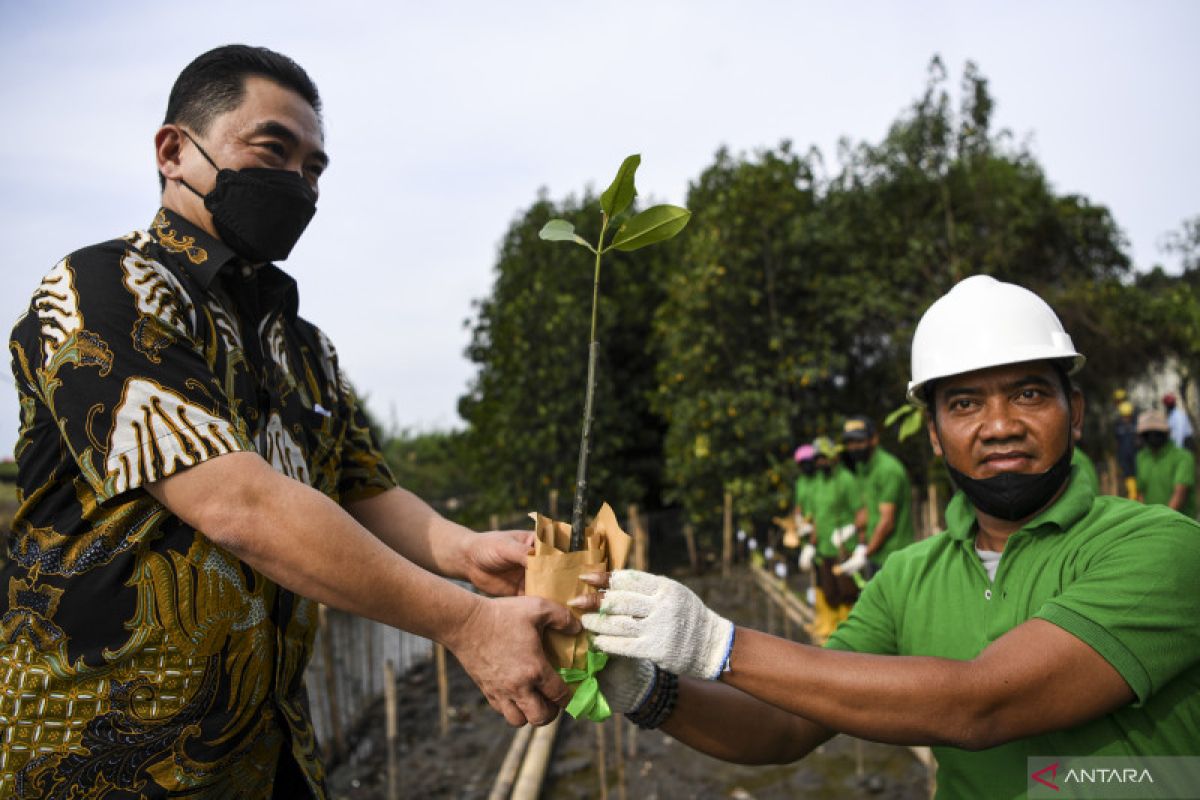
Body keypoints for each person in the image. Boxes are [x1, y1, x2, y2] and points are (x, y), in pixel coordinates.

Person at [3, 45, 577, 798]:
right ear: (175, 150)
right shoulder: (103, 290)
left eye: (313, 169)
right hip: (104, 759)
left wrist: (465, 550)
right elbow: (238, 505)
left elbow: (364, 490)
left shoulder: (300, 346)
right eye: (273, 149)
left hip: (266, 750)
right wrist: (465, 623)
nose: (297, 183)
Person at [577, 275, 1200, 798]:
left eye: (1030, 393)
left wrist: (717, 644)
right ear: (933, 433)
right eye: (964, 404)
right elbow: (786, 726)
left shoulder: (1160, 547)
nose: (1000, 425)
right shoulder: (907, 579)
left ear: (1078, 412)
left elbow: (982, 705)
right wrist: (642, 688)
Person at [837, 415, 915, 577]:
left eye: (859, 442)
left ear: (874, 440)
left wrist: (863, 554)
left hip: (893, 556)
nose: (853, 447)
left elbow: (887, 522)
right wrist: (856, 534)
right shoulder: (862, 468)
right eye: (849, 443)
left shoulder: (888, 470)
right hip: (875, 554)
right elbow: (866, 509)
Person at [802, 436, 862, 641]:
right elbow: (816, 515)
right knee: (829, 591)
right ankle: (832, 634)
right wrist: (811, 543)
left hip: (844, 548)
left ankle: (851, 635)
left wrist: (856, 537)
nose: (820, 463)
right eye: (817, 459)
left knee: (848, 592)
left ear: (834, 457)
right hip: (825, 548)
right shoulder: (818, 483)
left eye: (824, 458)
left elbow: (860, 512)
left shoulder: (846, 479)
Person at [1136, 408, 1197, 518]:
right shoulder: (1141, 458)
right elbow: (1141, 493)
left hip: (1179, 524)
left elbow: (1180, 494)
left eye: (1156, 433)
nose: (1152, 437)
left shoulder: (1183, 457)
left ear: (1167, 433)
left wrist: (1161, 520)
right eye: (1148, 434)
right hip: (1152, 524)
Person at [1113, 398, 1138, 498]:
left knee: (1136, 474)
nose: (1126, 419)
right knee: (1128, 476)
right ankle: (1132, 495)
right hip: (1124, 456)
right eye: (1124, 417)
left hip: (1135, 455)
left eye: (1128, 416)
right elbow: (1117, 442)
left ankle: (1136, 494)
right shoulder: (1118, 427)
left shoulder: (1135, 426)